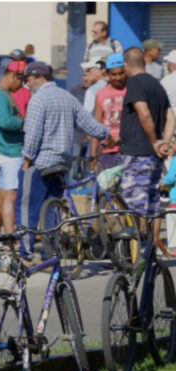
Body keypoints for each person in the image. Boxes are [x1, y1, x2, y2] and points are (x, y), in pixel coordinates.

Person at [19, 61, 111, 261]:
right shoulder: (67, 97)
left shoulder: (38, 99)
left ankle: (25, 252)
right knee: (52, 208)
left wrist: (27, 158)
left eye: (29, 79)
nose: (27, 84)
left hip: (41, 161)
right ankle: (50, 251)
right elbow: (88, 124)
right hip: (62, 161)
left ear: (39, 78)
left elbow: (33, 135)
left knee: (27, 207)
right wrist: (107, 134)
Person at [120, 48, 175, 221]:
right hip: (154, 155)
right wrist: (164, 142)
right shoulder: (157, 84)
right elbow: (171, 117)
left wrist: (154, 141)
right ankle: (151, 245)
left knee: (133, 203)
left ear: (126, 65)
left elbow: (143, 113)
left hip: (138, 152)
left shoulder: (135, 83)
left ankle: (137, 245)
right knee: (152, 204)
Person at [0, 60, 26, 235]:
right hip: (10, 152)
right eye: (21, 80)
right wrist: (23, 121)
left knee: (2, 195)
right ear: (12, 76)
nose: (22, 84)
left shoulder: (2, 94)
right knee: (11, 196)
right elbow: (5, 122)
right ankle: (11, 237)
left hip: (7, 150)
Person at [91, 54, 127, 171]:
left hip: (128, 150)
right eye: (114, 74)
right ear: (107, 74)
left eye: (121, 73)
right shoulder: (101, 94)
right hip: (107, 152)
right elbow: (96, 125)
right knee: (107, 188)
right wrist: (93, 155)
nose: (118, 78)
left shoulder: (132, 90)